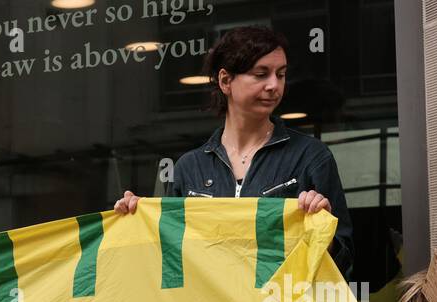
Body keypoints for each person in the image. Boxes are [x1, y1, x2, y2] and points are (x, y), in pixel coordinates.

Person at [114, 26, 354, 278]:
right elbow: (171, 261)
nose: (274, 85)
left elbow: (343, 262)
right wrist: (137, 221)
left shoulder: (311, 157)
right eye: (261, 74)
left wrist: (324, 235)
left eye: (281, 74)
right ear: (225, 81)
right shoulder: (190, 167)